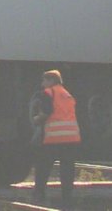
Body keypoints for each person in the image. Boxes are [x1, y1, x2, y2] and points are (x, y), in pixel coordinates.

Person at [31, 69, 81, 207]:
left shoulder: (47, 93)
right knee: (67, 170)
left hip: (54, 138)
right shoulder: (67, 94)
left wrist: (36, 119)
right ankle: (67, 199)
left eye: (44, 80)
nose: (42, 84)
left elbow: (47, 111)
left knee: (43, 167)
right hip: (72, 138)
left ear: (51, 81)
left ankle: (39, 194)